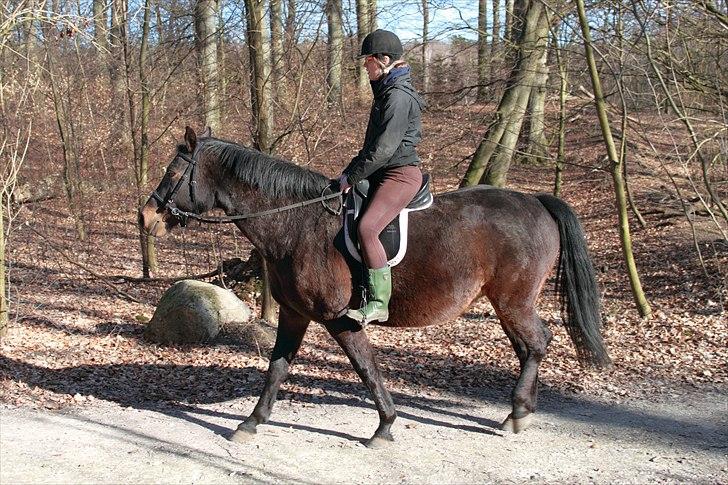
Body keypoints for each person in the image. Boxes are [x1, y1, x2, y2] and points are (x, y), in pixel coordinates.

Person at [338, 29, 425, 325]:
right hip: (383, 171)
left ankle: (378, 303)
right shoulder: (386, 92)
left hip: (400, 174)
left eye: (368, 61)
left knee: (367, 228)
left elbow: (384, 150)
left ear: (384, 60)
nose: (365, 66)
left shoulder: (397, 97)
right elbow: (370, 148)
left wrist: (351, 177)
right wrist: (349, 172)